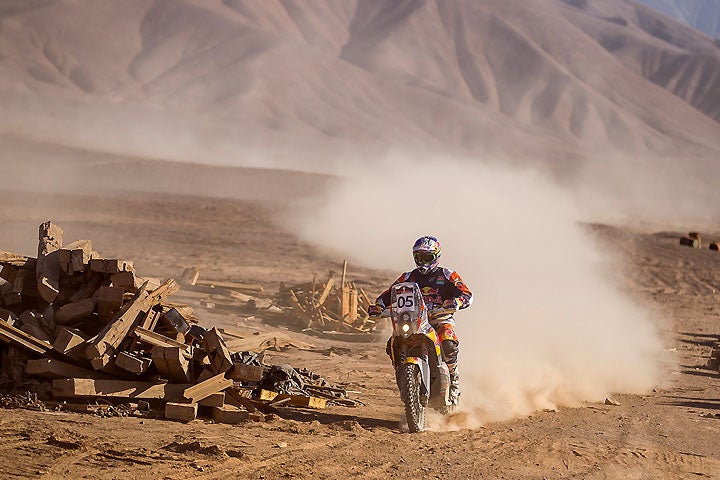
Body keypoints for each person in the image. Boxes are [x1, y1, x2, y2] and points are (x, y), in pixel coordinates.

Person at [369, 235, 472, 405]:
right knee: (393, 344)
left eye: (427, 257)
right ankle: (403, 376)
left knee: (448, 343)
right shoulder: (408, 277)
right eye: (419, 257)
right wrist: (378, 306)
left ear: (436, 256)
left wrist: (457, 301)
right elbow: (389, 294)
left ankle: (454, 380)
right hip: (413, 320)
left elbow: (466, 293)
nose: (423, 262)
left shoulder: (447, 275)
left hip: (440, 318)